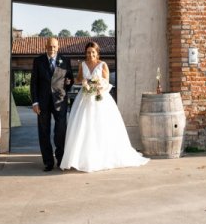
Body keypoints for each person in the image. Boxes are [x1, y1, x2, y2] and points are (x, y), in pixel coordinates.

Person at [60, 41, 149, 172]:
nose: (90, 55)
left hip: (100, 99)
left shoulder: (103, 65)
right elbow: (78, 79)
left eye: (93, 52)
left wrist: (99, 86)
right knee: (83, 127)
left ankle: (102, 157)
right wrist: (82, 81)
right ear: (86, 53)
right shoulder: (82, 65)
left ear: (97, 53)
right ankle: (82, 159)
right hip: (84, 99)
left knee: (101, 127)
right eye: (88, 52)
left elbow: (106, 83)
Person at [30, 36, 74, 172]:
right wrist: (35, 102)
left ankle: (61, 160)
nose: (52, 49)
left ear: (58, 47)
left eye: (54, 46)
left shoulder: (65, 60)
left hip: (60, 101)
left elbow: (70, 79)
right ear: (45, 47)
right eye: (49, 46)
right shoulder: (38, 61)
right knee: (44, 132)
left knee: (60, 131)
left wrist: (69, 82)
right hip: (42, 103)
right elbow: (34, 83)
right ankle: (48, 162)